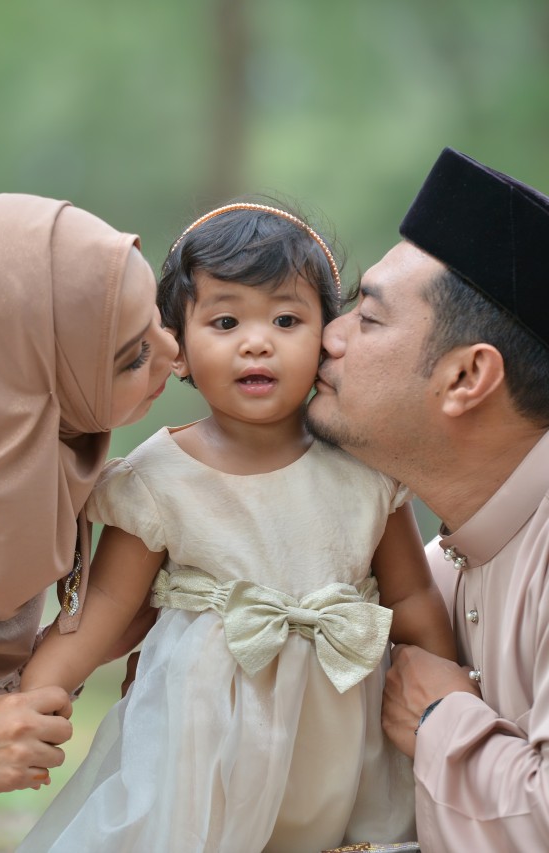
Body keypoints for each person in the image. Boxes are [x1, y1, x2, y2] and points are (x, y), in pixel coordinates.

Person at [18, 201, 455, 853]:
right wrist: (38, 693)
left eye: (286, 319)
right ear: (178, 349)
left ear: (330, 340)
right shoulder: (158, 478)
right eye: (225, 321)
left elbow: (412, 596)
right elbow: (105, 605)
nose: (258, 341)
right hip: (203, 741)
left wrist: (446, 696)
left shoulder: (365, 466)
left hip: (341, 731)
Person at [306, 147, 549, 852]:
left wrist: (442, 716)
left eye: (369, 319)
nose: (328, 335)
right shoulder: (442, 568)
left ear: (467, 376)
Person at [0, 193, 178, 814]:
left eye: (160, 323)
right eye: (134, 355)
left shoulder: (3, 470)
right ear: (7, 383)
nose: (175, 354)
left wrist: (86, 637)